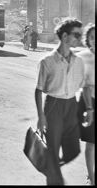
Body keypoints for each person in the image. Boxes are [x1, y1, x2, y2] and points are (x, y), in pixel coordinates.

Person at [35, 18, 85, 185]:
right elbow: (39, 89)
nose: (80, 39)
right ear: (64, 36)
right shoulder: (47, 61)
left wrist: (88, 108)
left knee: (73, 149)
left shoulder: (79, 62)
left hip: (72, 105)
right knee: (53, 149)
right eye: (77, 35)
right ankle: (54, 174)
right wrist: (41, 116)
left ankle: (51, 167)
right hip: (53, 106)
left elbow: (82, 87)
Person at [77, 23, 95, 185]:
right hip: (90, 103)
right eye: (92, 38)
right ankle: (92, 177)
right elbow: (84, 86)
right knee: (91, 143)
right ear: (87, 40)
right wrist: (89, 108)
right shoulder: (84, 57)